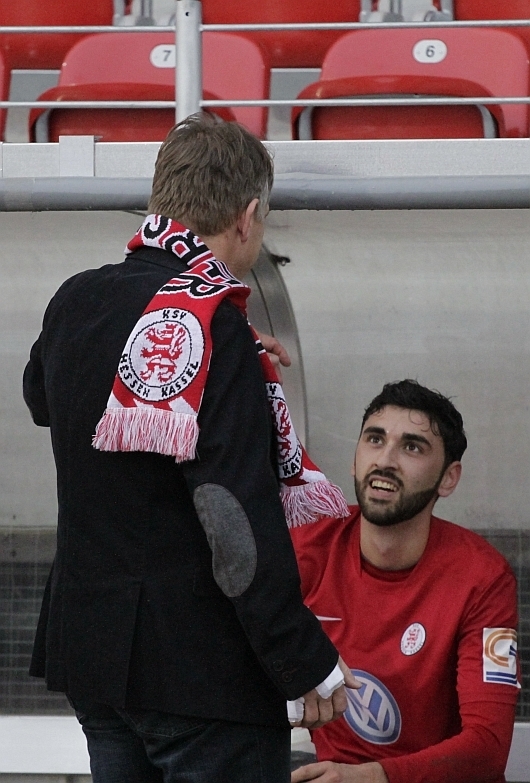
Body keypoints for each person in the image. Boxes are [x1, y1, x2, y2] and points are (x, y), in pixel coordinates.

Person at [22, 114, 357, 783]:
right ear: (248, 215)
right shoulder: (217, 329)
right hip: (199, 673)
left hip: (95, 658)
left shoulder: (77, 299)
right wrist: (300, 655)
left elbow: (42, 397)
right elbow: (230, 515)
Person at [290, 380, 519, 783]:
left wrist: (369, 777)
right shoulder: (307, 545)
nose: (386, 460)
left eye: (412, 447)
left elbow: (488, 748)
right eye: (375, 440)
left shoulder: (484, 578)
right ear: (355, 458)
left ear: (449, 479)